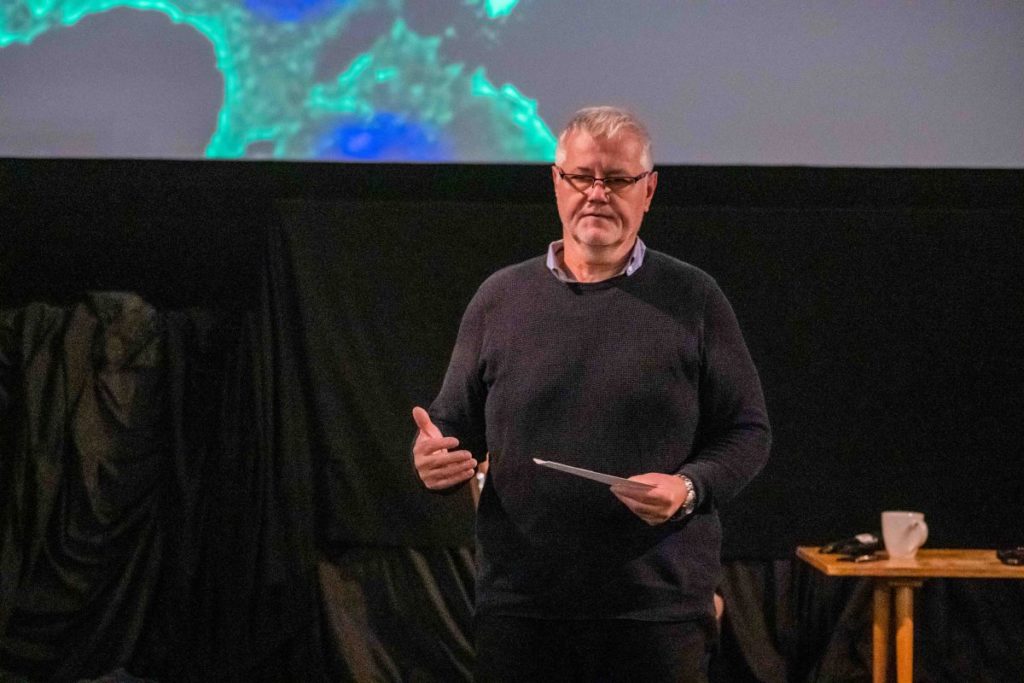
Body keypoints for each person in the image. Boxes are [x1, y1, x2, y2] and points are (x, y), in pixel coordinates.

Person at [412, 106, 770, 682]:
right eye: (582, 176)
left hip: (656, 612)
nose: (597, 193)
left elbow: (748, 432)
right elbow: (453, 425)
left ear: (648, 190)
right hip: (522, 609)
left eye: (618, 179)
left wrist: (687, 487)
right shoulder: (500, 299)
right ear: (557, 182)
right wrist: (434, 458)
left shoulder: (694, 298)